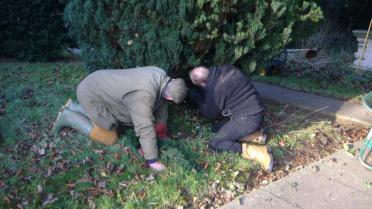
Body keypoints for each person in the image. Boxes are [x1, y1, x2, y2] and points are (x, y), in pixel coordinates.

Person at [52, 66, 187, 171]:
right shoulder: (143, 95)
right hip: (91, 92)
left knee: (117, 122)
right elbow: (144, 126)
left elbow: (161, 111)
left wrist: (161, 135)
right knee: (110, 137)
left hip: (100, 83)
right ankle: (67, 117)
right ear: (170, 96)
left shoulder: (161, 76)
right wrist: (152, 160)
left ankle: (74, 107)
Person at [187, 65, 272, 171]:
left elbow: (209, 114)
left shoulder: (216, 89)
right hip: (255, 110)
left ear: (203, 83)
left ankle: (259, 153)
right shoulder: (227, 69)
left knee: (216, 143)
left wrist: (198, 98)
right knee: (215, 129)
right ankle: (256, 136)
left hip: (248, 119)